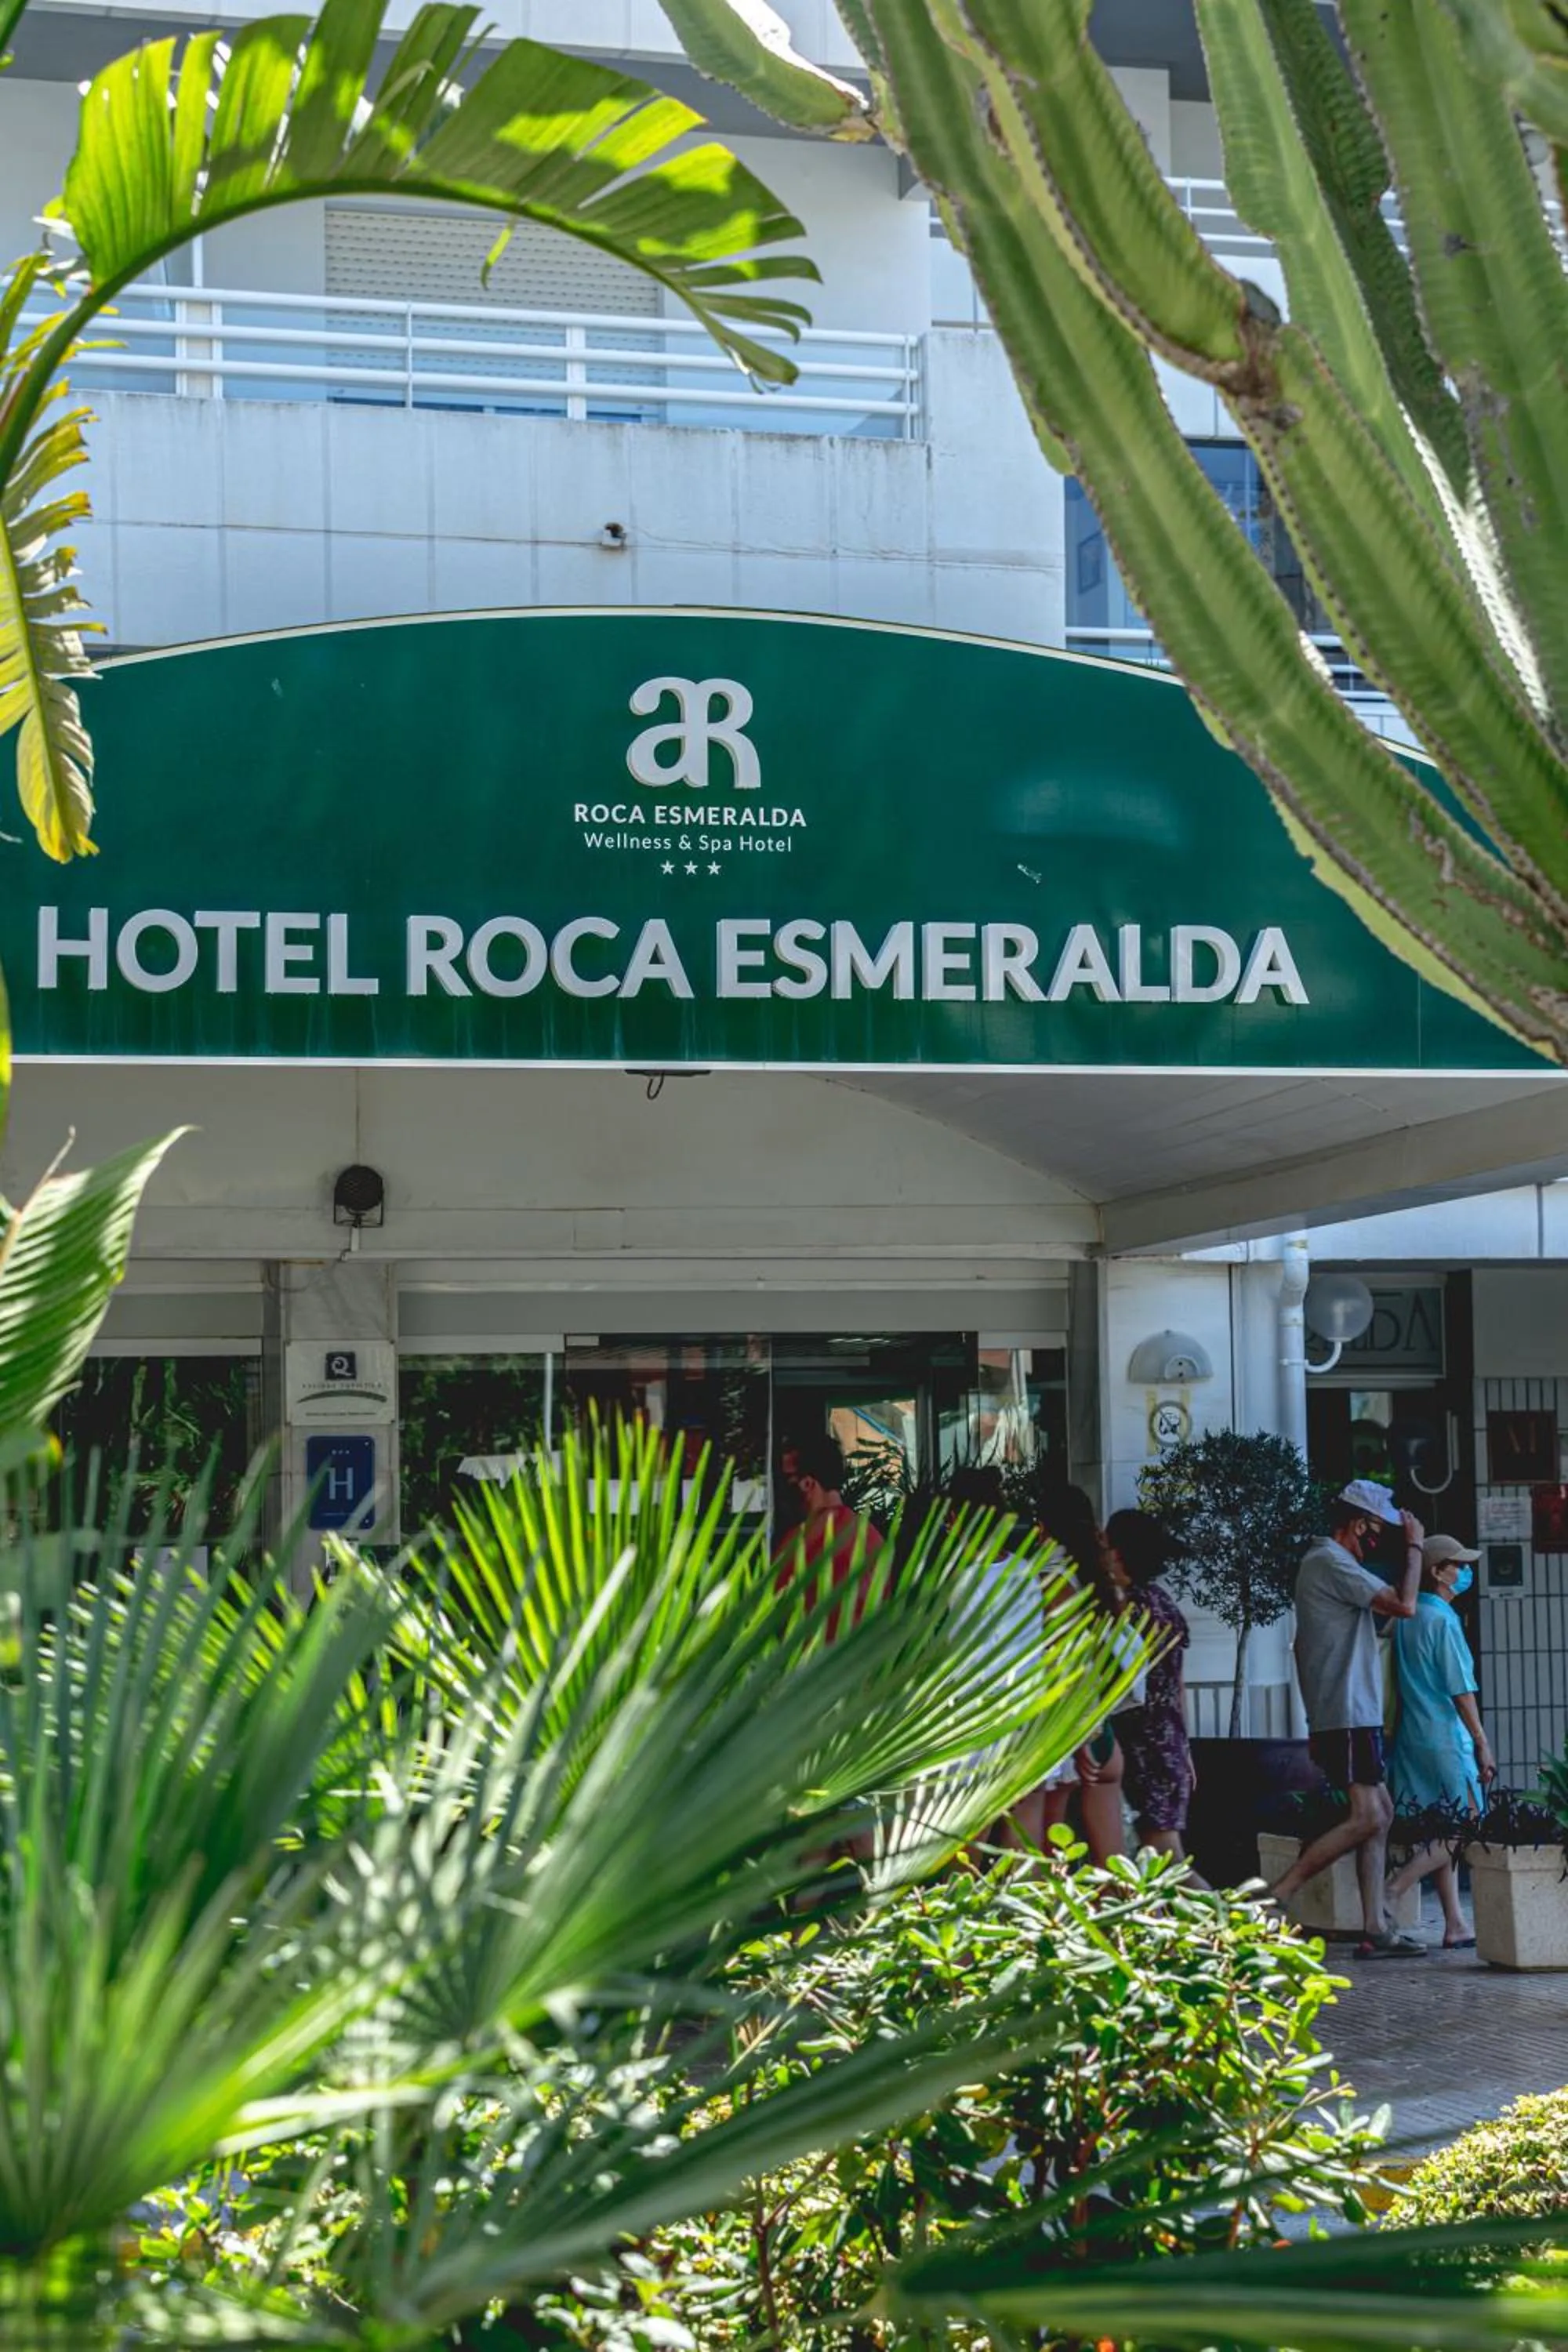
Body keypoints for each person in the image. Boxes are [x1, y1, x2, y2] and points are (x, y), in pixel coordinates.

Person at [1272, 1479, 1425, 1958]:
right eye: (1377, 1532)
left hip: (1349, 1709)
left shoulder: (1329, 1564)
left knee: (1381, 1815)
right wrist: (1416, 1548)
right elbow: (1405, 1605)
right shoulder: (1330, 1562)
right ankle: (1279, 1893)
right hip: (1346, 1709)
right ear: (1358, 1525)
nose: (1378, 1543)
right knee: (1368, 1815)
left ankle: (1375, 1925)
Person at [1386, 1534, 1496, 1947]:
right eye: (1458, 1565)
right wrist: (1482, 1741)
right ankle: (1394, 1888)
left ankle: (1454, 1923)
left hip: (1413, 1735)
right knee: (1467, 1822)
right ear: (1438, 1572)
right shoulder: (1444, 1621)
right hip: (1446, 1736)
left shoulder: (1407, 1615)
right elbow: (1460, 1690)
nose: (1465, 1571)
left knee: (1439, 1827)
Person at [1030, 1483, 1134, 1865]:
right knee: (1115, 1869)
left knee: (1050, 1861)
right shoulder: (1099, 1578)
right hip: (1103, 1730)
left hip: (1072, 1733)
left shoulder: (1054, 1579)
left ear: (1042, 1526)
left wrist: (1077, 1740)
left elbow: (1063, 1664)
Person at [1104, 1507, 1197, 1869]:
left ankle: (1224, 1905)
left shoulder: (1127, 1610)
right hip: (1167, 1742)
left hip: (1143, 1746)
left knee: (1165, 1858)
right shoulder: (1162, 1603)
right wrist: (1185, 1746)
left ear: (1117, 1552)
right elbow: (1177, 1683)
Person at [773, 1430, 884, 1636]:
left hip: (813, 1654)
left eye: (787, 1478)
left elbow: (772, 1610)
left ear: (807, 1484)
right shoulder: (871, 1535)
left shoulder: (801, 1542)